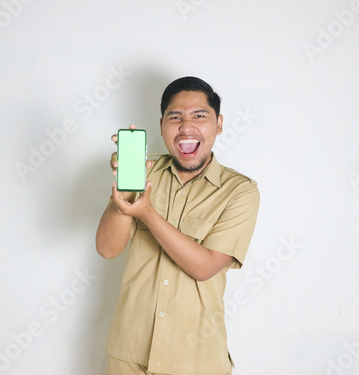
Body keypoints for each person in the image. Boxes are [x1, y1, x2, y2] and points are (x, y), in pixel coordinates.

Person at [96, 77, 260, 375]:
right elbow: (108, 248)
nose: (186, 127)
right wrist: (121, 193)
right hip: (128, 355)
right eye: (175, 117)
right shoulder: (143, 173)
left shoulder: (239, 191)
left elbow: (205, 266)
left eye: (199, 116)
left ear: (218, 124)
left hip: (194, 361)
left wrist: (148, 214)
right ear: (161, 125)